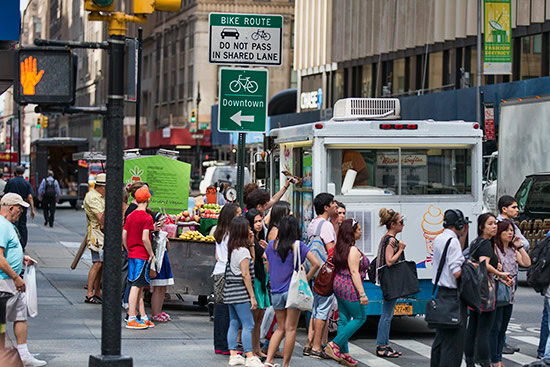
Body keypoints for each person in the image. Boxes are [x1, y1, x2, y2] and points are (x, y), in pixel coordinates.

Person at [264, 215, 320, 367]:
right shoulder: (298, 245)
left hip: (275, 291)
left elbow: (268, 267)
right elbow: (316, 264)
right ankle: (285, 364)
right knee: (291, 329)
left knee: (280, 328)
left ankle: (268, 360)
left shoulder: (271, 245)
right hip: (292, 291)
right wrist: (305, 279)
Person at [0, 193, 47, 366]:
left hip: (12, 280)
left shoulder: (7, 225)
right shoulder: (2, 226)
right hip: (6, 281)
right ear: (11, 208)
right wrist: (15, 277)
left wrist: (21, 258)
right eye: (19, 208)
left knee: (20, 317)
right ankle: (4, 355)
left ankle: (23, 354)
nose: (21, 212)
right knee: (3, 321)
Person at [464, 213, 512, 367]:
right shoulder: (485, 243)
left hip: (473, 289)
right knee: (484, 329)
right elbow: (483, 264)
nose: (494, 226)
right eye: (490, 224)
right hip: (485, 290)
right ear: (481, 227)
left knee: (473, 326)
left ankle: (470, 361)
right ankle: (485, 362)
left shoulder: (476, 242)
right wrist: (500, 274)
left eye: (495, 224)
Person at [324, 219, 368, 366]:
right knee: (360, 317)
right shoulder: (353, 250)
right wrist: (362, 294)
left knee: (343, 319)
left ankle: (344, 353)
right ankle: (334, 345)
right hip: (350, 287)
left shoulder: (340, 247)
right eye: (359, 229)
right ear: (352, 232)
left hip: (339, 284)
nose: (361, 232)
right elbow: (354, 272)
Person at [429, 209, 469, 367]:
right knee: (453, 345)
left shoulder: (440, 238)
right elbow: (456, 271)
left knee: (441, 340)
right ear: (458, 224)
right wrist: (469, 267)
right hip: (453, 296)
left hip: (441, 293)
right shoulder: (452, 242)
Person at [489, 219, 531, 367]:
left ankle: (498, 358)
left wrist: (520, 247)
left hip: (509, 294)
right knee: (495, 328)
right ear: (499, 233)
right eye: (507, 230)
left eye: (512, 230)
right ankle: (493, 359)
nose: (510, 233)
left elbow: (526, 263)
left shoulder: (513, 250)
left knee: (503, 329)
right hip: (496, 294)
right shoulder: (494, 248)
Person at [223, 217, 263, 367]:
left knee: (234, 323)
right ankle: (249, 355)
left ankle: (234, 354)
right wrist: (252, 296)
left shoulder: (233, 249)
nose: (250, 230)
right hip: (241, 292)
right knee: (249, 324)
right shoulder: (243, 251)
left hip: (230, 292)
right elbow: (246, 274)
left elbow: (249, 260)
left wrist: (252, 243)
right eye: (247, 228)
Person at [303, 192, 338, 359]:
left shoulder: (312, 224)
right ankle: (317, 347)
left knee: (316, 309)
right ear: (326, 207)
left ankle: (309, 344)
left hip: (313, 271)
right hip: (324, 273)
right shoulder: (326, 225)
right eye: (333, 204)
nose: (335, 206)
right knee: (323, 310)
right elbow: (331, 251)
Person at [374, 208, 406, 358]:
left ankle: (385, 344)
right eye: (401, 222)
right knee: (387, 314)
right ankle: (381, 346)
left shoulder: (386, 238)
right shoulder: (391, 240)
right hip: (389, 280)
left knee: (388, 313)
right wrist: (400, 249)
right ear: (393, 224)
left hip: (387, 280)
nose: (403, 225)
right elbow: (389, 261)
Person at [122, 186, 155, 329]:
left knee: (138, 285)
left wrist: (128, 248)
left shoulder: (130, 216)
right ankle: (131, 316)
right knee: (136, 286)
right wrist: (151, 253)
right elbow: (145, 238)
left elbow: (124, 235)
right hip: (142, 255)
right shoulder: (147, 217)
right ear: (148, 199)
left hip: (132, 254)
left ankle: (143, 316)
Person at [212, 203, 241, 355]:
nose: (240, 217)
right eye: (238, 214)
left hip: (218, 271)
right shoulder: (232, 234)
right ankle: (225, 346)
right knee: (227, 311)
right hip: (228, 272)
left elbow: (217, 255)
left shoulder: (219, 232)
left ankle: (219, 344)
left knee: (220, 310)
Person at [245, 209, 270, 358]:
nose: (259, 224)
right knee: (255, 319)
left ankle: (256, 349)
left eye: (260, 221)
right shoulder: (252, 240)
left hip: (262, 279)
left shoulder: (260, 238)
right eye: (256, 222)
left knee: (259, 319)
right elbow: (266, 256)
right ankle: (253, 350)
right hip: (256, 281)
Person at [83, 173, 106, 304]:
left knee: (101, 265)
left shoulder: (100, 196)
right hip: (96, 235)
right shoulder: (92, 197)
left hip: (101, 233)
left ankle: (97, 291)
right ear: (102, 187)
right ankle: (89, 293)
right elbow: (101, 217)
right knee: (97, 263)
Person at [149, 212, 174, 323]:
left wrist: (167, 240)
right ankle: (155, 312)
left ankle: (159, 311)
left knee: (163, 287)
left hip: (164, 259)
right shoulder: (153, 233)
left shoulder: (163, 233)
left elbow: (168, 249)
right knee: (158, 288)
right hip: (158, 261)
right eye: (161, 220)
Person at [4, 166, 35, 250]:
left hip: (12, 205)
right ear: (23, 173)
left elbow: (5, 193)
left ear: (16, 172)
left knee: (13, 224)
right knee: (23, 225)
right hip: (23, 205)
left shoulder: (11, 181)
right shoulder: (26, 183)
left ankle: (14, 243)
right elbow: (30, 196)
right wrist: (32, 209)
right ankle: (22, 244)